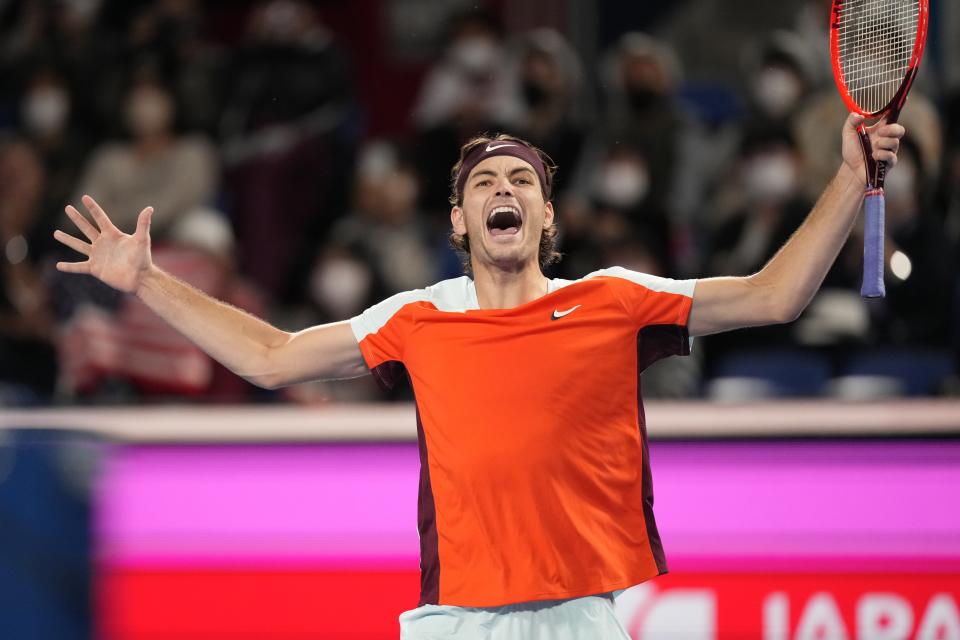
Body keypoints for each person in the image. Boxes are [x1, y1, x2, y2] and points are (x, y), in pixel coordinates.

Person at [53, 113, 905, 638]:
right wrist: (148, 283)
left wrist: (846, 175)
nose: (506, 189)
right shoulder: (416, 316)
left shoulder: (615, 300)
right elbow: (273, 359)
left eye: (523, 180)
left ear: (545, 215)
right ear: (460, 219)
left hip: (581, 618)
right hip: (454, 623)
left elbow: (774, 296)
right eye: (485, 182)